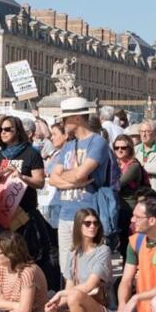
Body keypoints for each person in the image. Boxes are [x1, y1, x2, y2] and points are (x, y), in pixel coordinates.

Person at [47, 97, 113, 279]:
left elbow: (80, 173)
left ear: (76, 118)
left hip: (87, 213)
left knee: (88, 268)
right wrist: (73, 180)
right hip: (65, 213)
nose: (62, 123)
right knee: (66, 270)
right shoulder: (68, 145)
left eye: (64, 119)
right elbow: (52, 178)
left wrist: (70, 176)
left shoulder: (97, 142)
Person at [44, 208, 115, 312]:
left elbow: (90, 285)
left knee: (75, 295)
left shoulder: (103, 250)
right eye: (87, 223)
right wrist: (56, 305)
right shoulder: (73, 254)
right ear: (78, 226)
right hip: (79, 307)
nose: (92, 227)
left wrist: (60, 294)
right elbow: (70, 287)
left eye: (95, 223)